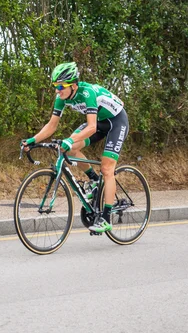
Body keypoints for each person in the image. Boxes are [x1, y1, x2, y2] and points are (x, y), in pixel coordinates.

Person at [22, 61, 129, 233]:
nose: (57, 90)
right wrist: (32, 140)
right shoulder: (61, 98)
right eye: (55, 86)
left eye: (61, 86)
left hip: (116, 121)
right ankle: (94, 179)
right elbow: (52, 125)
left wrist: (70, 139)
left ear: (73, 85)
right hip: (99, 123)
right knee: (68, 148)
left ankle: (106, 218)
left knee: (107, 168)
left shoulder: (87, 93)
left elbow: (92, 127)